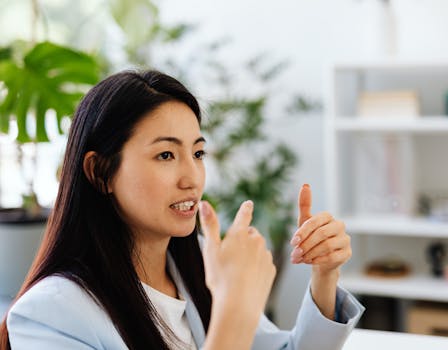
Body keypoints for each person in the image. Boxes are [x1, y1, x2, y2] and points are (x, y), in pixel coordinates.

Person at [0, 70, 364, 350]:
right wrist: (234, 312)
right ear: (100, 172)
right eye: (166, 155)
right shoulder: (50, 314)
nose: (192, 177)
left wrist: (324, 276)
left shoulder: (199, 269)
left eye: (198, 153)